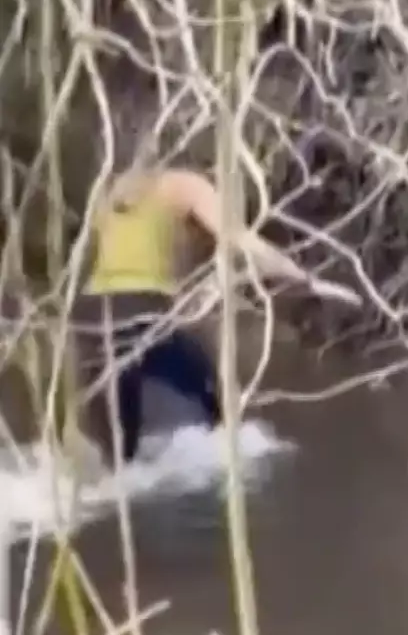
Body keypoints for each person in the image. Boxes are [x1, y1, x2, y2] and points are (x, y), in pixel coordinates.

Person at [66, 165, 360, 466]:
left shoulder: (111, 192)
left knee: (116, 451)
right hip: (142, 310)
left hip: (89, 313)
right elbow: (239, 239)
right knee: (214, 407)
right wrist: (304, 280)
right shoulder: (182, 183)